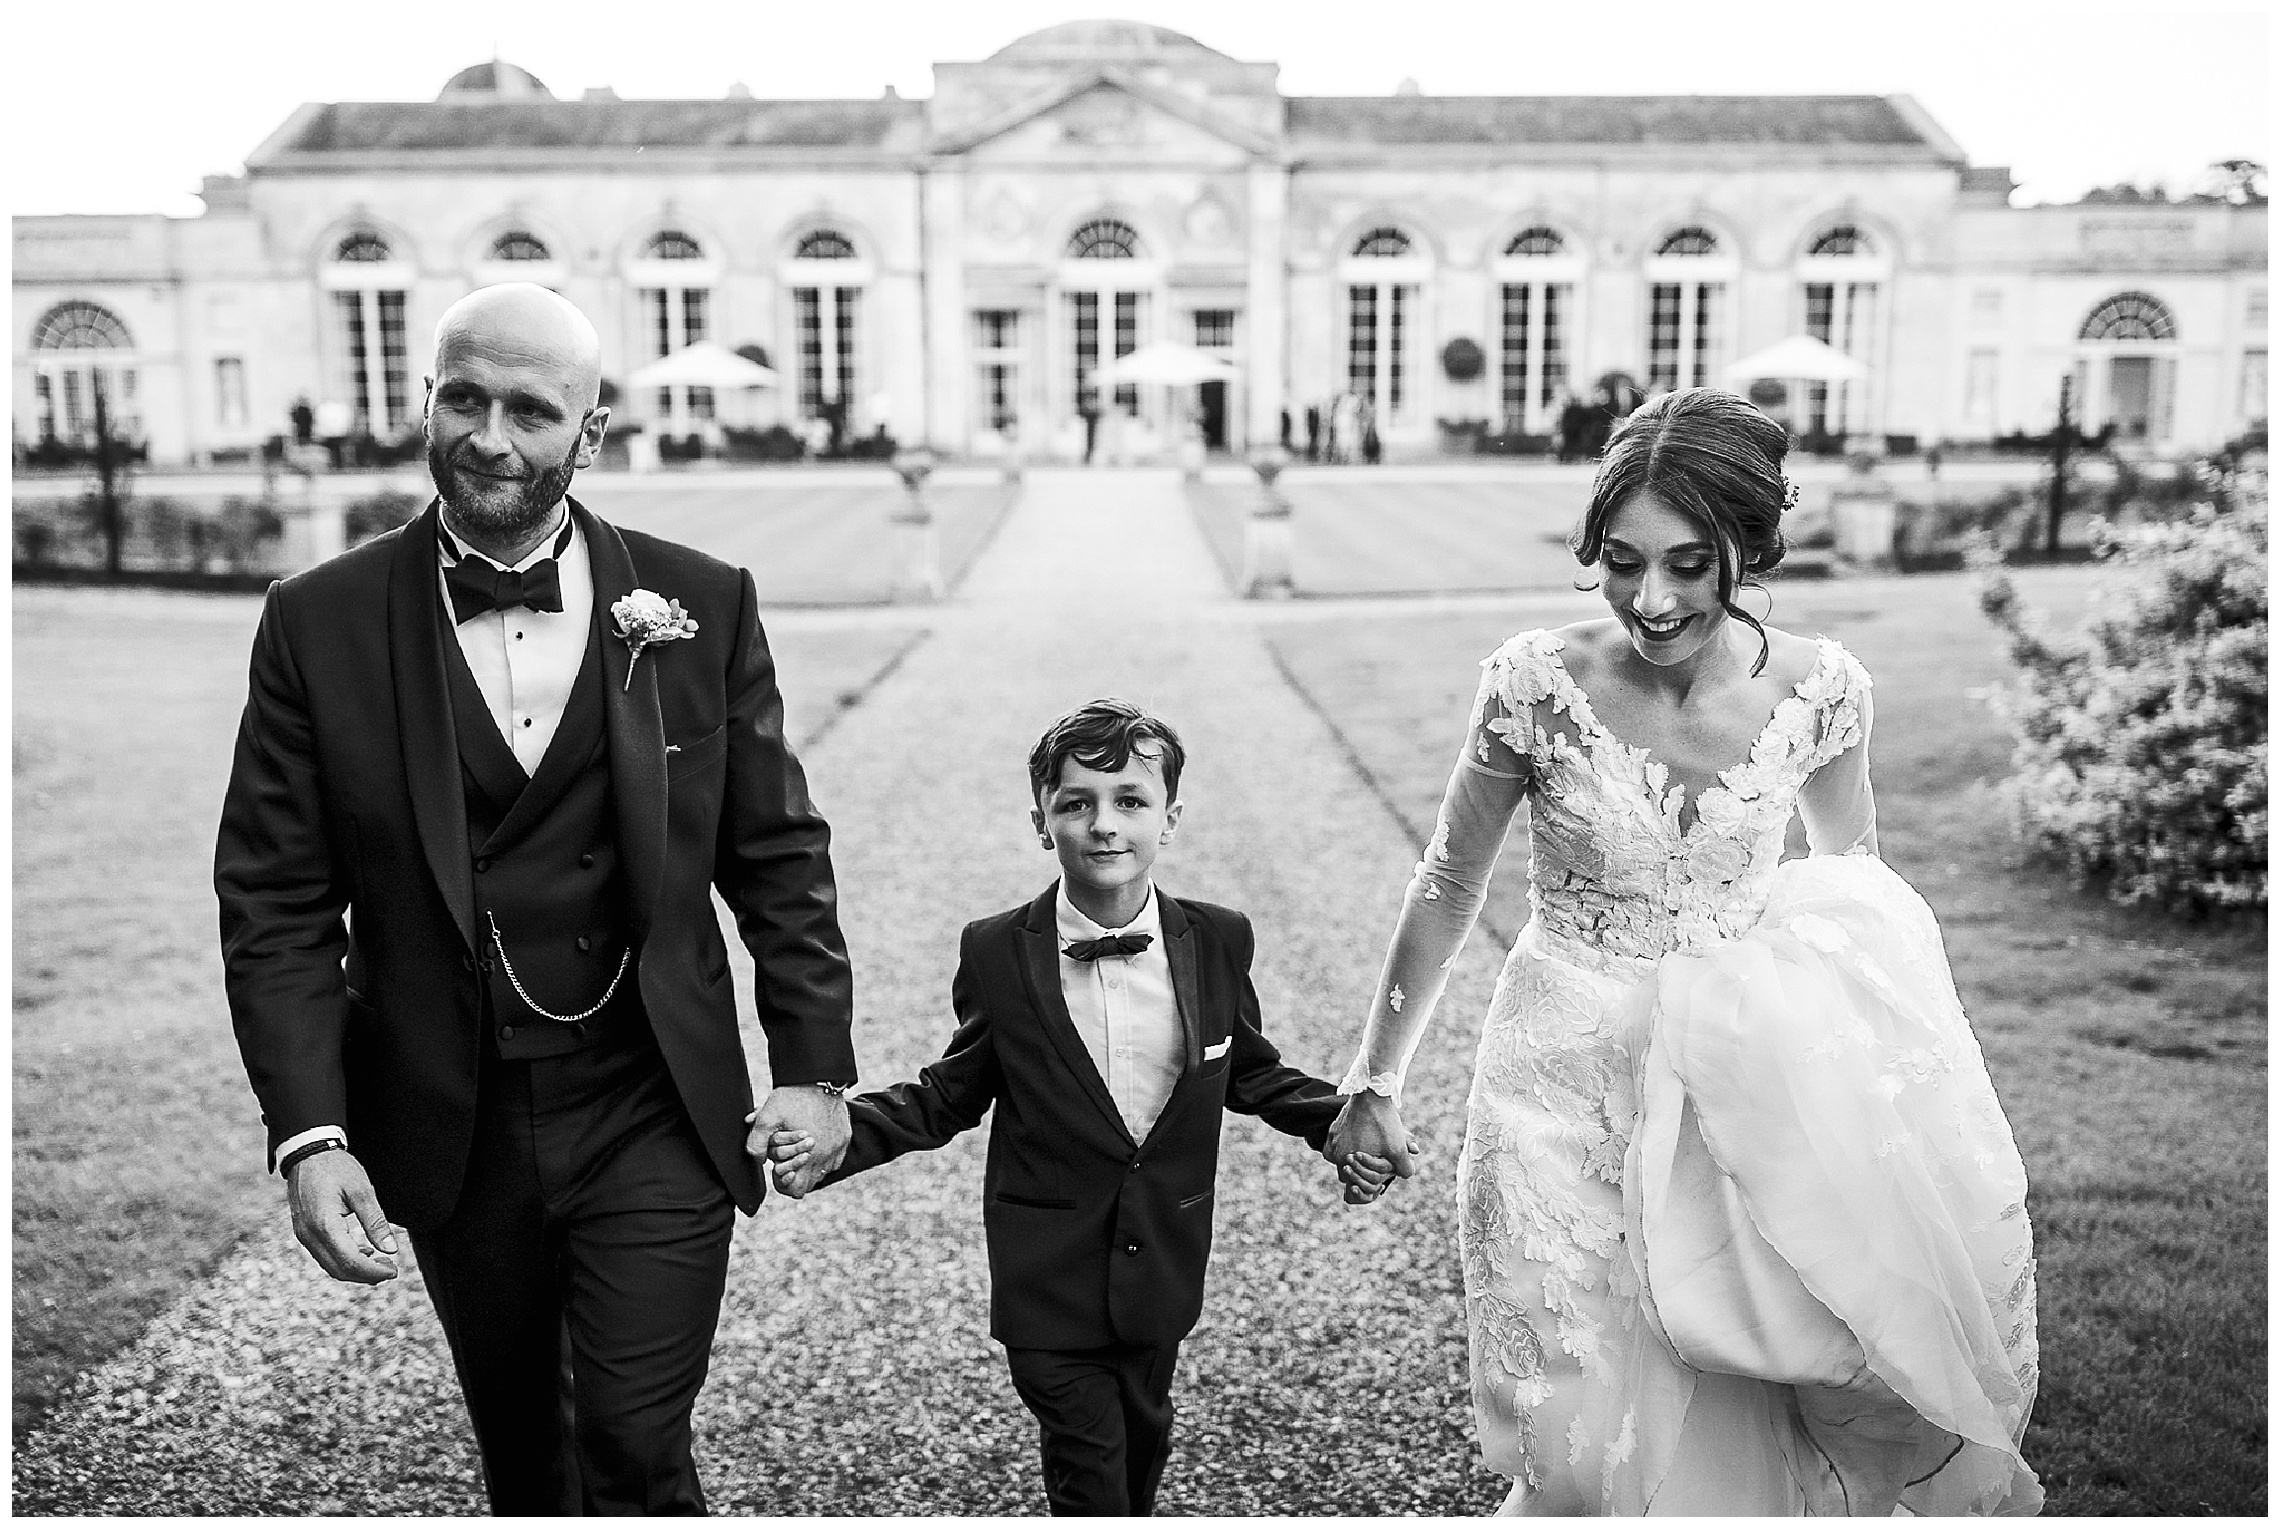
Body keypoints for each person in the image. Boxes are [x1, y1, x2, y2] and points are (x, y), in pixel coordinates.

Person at [1326, 387, 2041, 1516]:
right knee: (1582, 1404)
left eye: (1689, 565)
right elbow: (1449, 881)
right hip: (1555, 1075)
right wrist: (1375, 1079)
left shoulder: (1824, 691)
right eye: (1621, 561)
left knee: (1734, 1376)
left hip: (1735, 1087)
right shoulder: (1534, 681)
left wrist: (1870, 1091)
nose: (1650, 599)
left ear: (1748, 550)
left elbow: (1855, 887)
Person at [214, 282, 858, 1514]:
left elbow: (777, 851)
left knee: (629, 1437)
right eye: (464, 397)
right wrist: (312, 1130)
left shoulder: (700, 601)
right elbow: (276, 901)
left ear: (592, 432)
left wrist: (814, 1066)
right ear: (427, 401)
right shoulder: (317, 621)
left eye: (528, 408)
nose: (490, 437)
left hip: (654, 1098)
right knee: (525, 1458)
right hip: (455, 1117)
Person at [766, 699, 1374, 1515]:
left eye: (1131, 799)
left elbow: (1250, 1071)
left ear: (1172, 817)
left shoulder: (1219, 939)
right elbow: (949, 1092)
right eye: (1076, 802)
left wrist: (1337, 1122)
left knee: (1143, 1438)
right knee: (1090, 1468)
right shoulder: (996, 951)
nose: (1103, 823)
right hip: (1047, 1275)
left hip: (1162, 1258)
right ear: (1041, 821)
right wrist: (842, 1139)